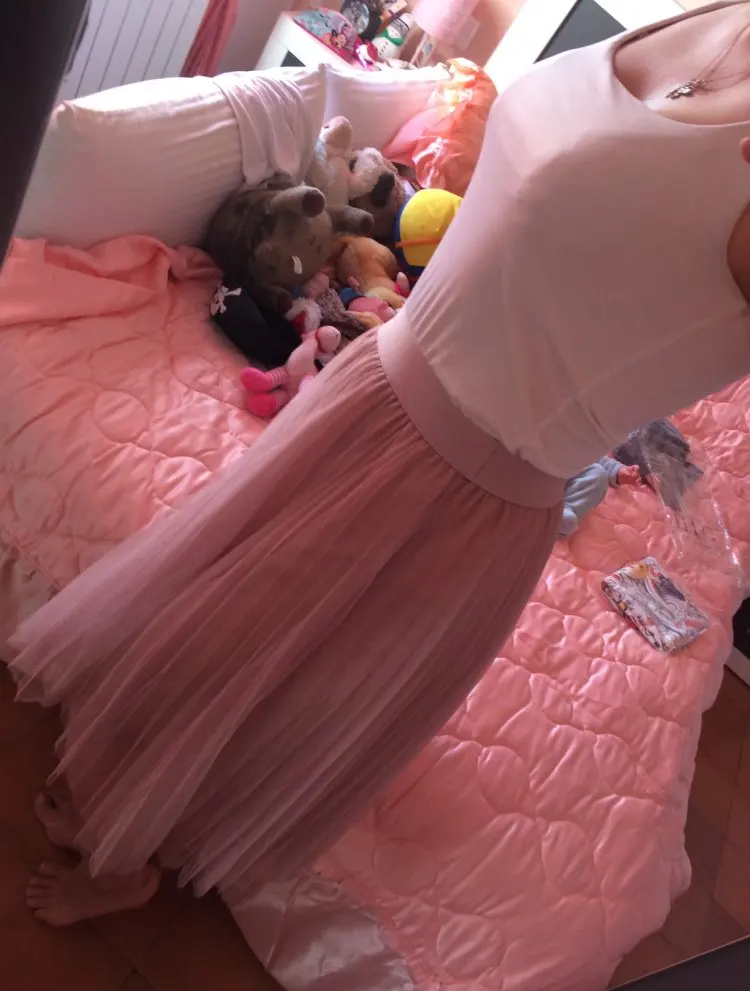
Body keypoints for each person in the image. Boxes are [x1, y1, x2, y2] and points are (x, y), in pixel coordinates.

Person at [12, 0, 750, 925]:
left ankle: (130, 854)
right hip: (374, 383)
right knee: (218, 603)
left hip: (451, 486)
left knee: (267, 659)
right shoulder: (712, 16)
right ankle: (125, 785)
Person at [558, 459, 642, 538]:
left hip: (565, 477)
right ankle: (554, 515)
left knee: (598, 473)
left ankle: (563, 514)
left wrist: (616, 470)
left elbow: (592, 455)